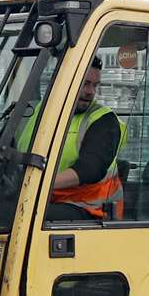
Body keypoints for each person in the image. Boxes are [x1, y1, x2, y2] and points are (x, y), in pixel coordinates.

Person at [16, 56, 127, 221]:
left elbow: (90, 169)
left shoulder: (102, 120)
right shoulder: (35, 112)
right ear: (62, 82)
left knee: (22, 217)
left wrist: (37, 183)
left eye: (94, 85)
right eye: (85, 83)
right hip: (39, 198)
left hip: (90, 209)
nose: (91, 92)